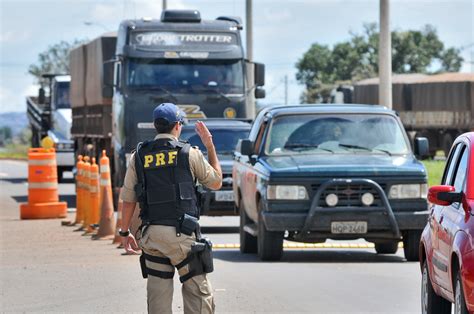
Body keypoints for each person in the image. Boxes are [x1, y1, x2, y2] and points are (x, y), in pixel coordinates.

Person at [120, 103, 222, 314]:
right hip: (183, 236)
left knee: (158, 296)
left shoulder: (139, 156)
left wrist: (124, 232)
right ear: (177, 126)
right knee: (198, 295)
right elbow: (216, 182)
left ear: (156, 126)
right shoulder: (189, 153)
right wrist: (210, 146)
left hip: (151, 237)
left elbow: (128, 199)